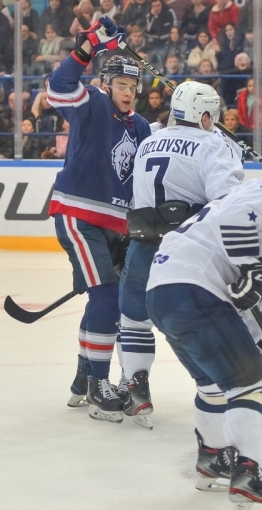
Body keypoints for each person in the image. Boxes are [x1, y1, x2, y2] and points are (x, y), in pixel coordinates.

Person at [146, 145, 262, 510]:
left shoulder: (247, 199)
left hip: (162, 294)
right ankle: (247, 479)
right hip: (196, 291)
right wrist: (250, 272)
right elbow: (236, 226)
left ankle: (213, 459)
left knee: (213, 384)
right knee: (248, 384)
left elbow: (256, 302)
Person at [118, 81, 244, 429]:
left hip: (144, 244)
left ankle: (136, 386)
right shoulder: (215, 145)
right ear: (205, 116)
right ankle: (217, 396)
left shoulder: (149, 141)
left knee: (133, 319)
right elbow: (227, 206)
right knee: (194, 324)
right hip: (189, 251)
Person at [48, 18, 151, 422]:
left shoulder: (141, 127)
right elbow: (59, 86)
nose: (129, 92)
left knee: (104, 300)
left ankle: (82, 377)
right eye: (122, 86)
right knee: (107, 296)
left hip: (114, 228)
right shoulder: (92, 103)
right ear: (108, 85)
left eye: (133, 87)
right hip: (78, 215)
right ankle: (98, 385)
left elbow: (143, 179)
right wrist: (89, 45)